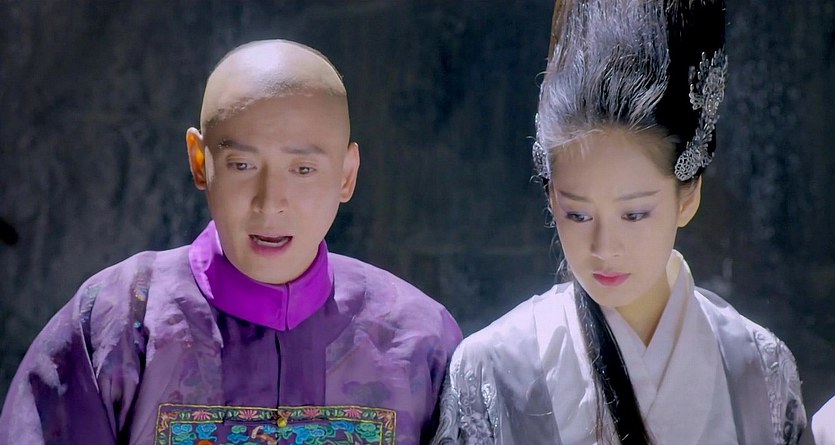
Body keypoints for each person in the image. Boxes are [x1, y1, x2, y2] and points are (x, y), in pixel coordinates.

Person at [0, 40, 462, 445]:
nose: (270, 202)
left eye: (303, 169)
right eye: (242, 165)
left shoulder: (419, 340)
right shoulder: (118, 321)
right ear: (200, 161)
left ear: (346, 174)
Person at [431, 1, 806, 444]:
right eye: (577, 214)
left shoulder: (760, 370)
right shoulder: (491, 368)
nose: (604, 247)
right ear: (551, 197)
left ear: (688, 195)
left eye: (634, 214)